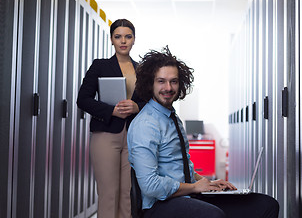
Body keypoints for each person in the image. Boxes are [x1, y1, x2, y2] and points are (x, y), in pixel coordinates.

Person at [127, 46, 279, 218]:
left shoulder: (171, 117)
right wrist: (194, 187)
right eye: (161, 81)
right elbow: (150, 185)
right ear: (150, 83)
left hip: (187, 195)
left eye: (173, 81)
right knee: (214, 215)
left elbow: (179, 168)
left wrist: (207, 182)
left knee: (265, 205)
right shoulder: (146, 124)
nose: (168, 87)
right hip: (159, 206)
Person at [77, 19, 145, 218]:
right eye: (118, 36)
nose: (123, 41)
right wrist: (111, 111)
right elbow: (83, 99)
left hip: (133, 136)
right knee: (109, 193)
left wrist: (136, 107)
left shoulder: (142, 70)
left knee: (127, 194)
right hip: (106, 134)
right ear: (111, 40)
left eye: (128, 36)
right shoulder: (100, 66)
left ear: (134, 40)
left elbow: (150, 103)